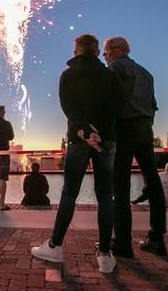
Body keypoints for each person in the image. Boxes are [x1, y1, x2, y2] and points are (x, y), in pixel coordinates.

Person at [31, 34, 122, 274]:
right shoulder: (110, 75)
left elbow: (67, 106)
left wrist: (83, 130)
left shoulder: (68, 75)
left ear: (77, 50)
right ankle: (104, 254)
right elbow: (116, 106)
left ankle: (55, 246)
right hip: (105, 140)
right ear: (95, 51)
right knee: (105, 195)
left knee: (69, 193)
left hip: (78, 140)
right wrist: (99, 132)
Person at [104, 36, 166, 257]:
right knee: (153, 182)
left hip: (123, 128)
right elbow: (154, 106)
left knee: (120, 186)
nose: (105, 57)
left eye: (106, 52)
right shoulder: (146, 73)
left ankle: (122, 242)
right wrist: (146, 122)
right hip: (144, 129)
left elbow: (109, 101)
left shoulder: (115, 69)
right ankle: (157, 237)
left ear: (116, 49)